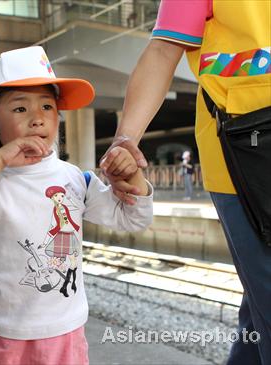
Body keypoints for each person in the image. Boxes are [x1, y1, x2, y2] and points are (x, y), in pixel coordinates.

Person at [0, 46, 153, 364]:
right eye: (20, 109)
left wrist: (134, 179)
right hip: (1, 333)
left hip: (64, 334)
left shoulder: (76, 179)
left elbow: (133, 220)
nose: (38, 118)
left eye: (48, 106)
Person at [100, 1, 271, 364]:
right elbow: (164, 48)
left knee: (260, 308)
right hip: (248, 148)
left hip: (250, 140)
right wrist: (125, 137)